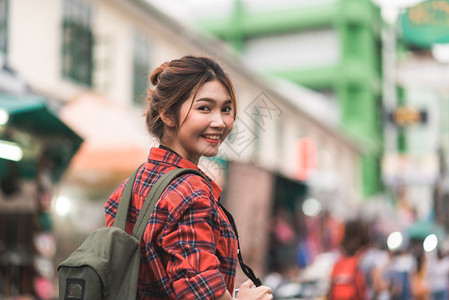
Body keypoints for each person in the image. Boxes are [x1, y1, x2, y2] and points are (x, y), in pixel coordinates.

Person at [104, 55, 273, 300]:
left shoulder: (131, 185)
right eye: (204, 108)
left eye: (226, 109)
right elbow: (201, 292)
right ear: (168, 115)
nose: (220, 122)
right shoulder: (190, 191)